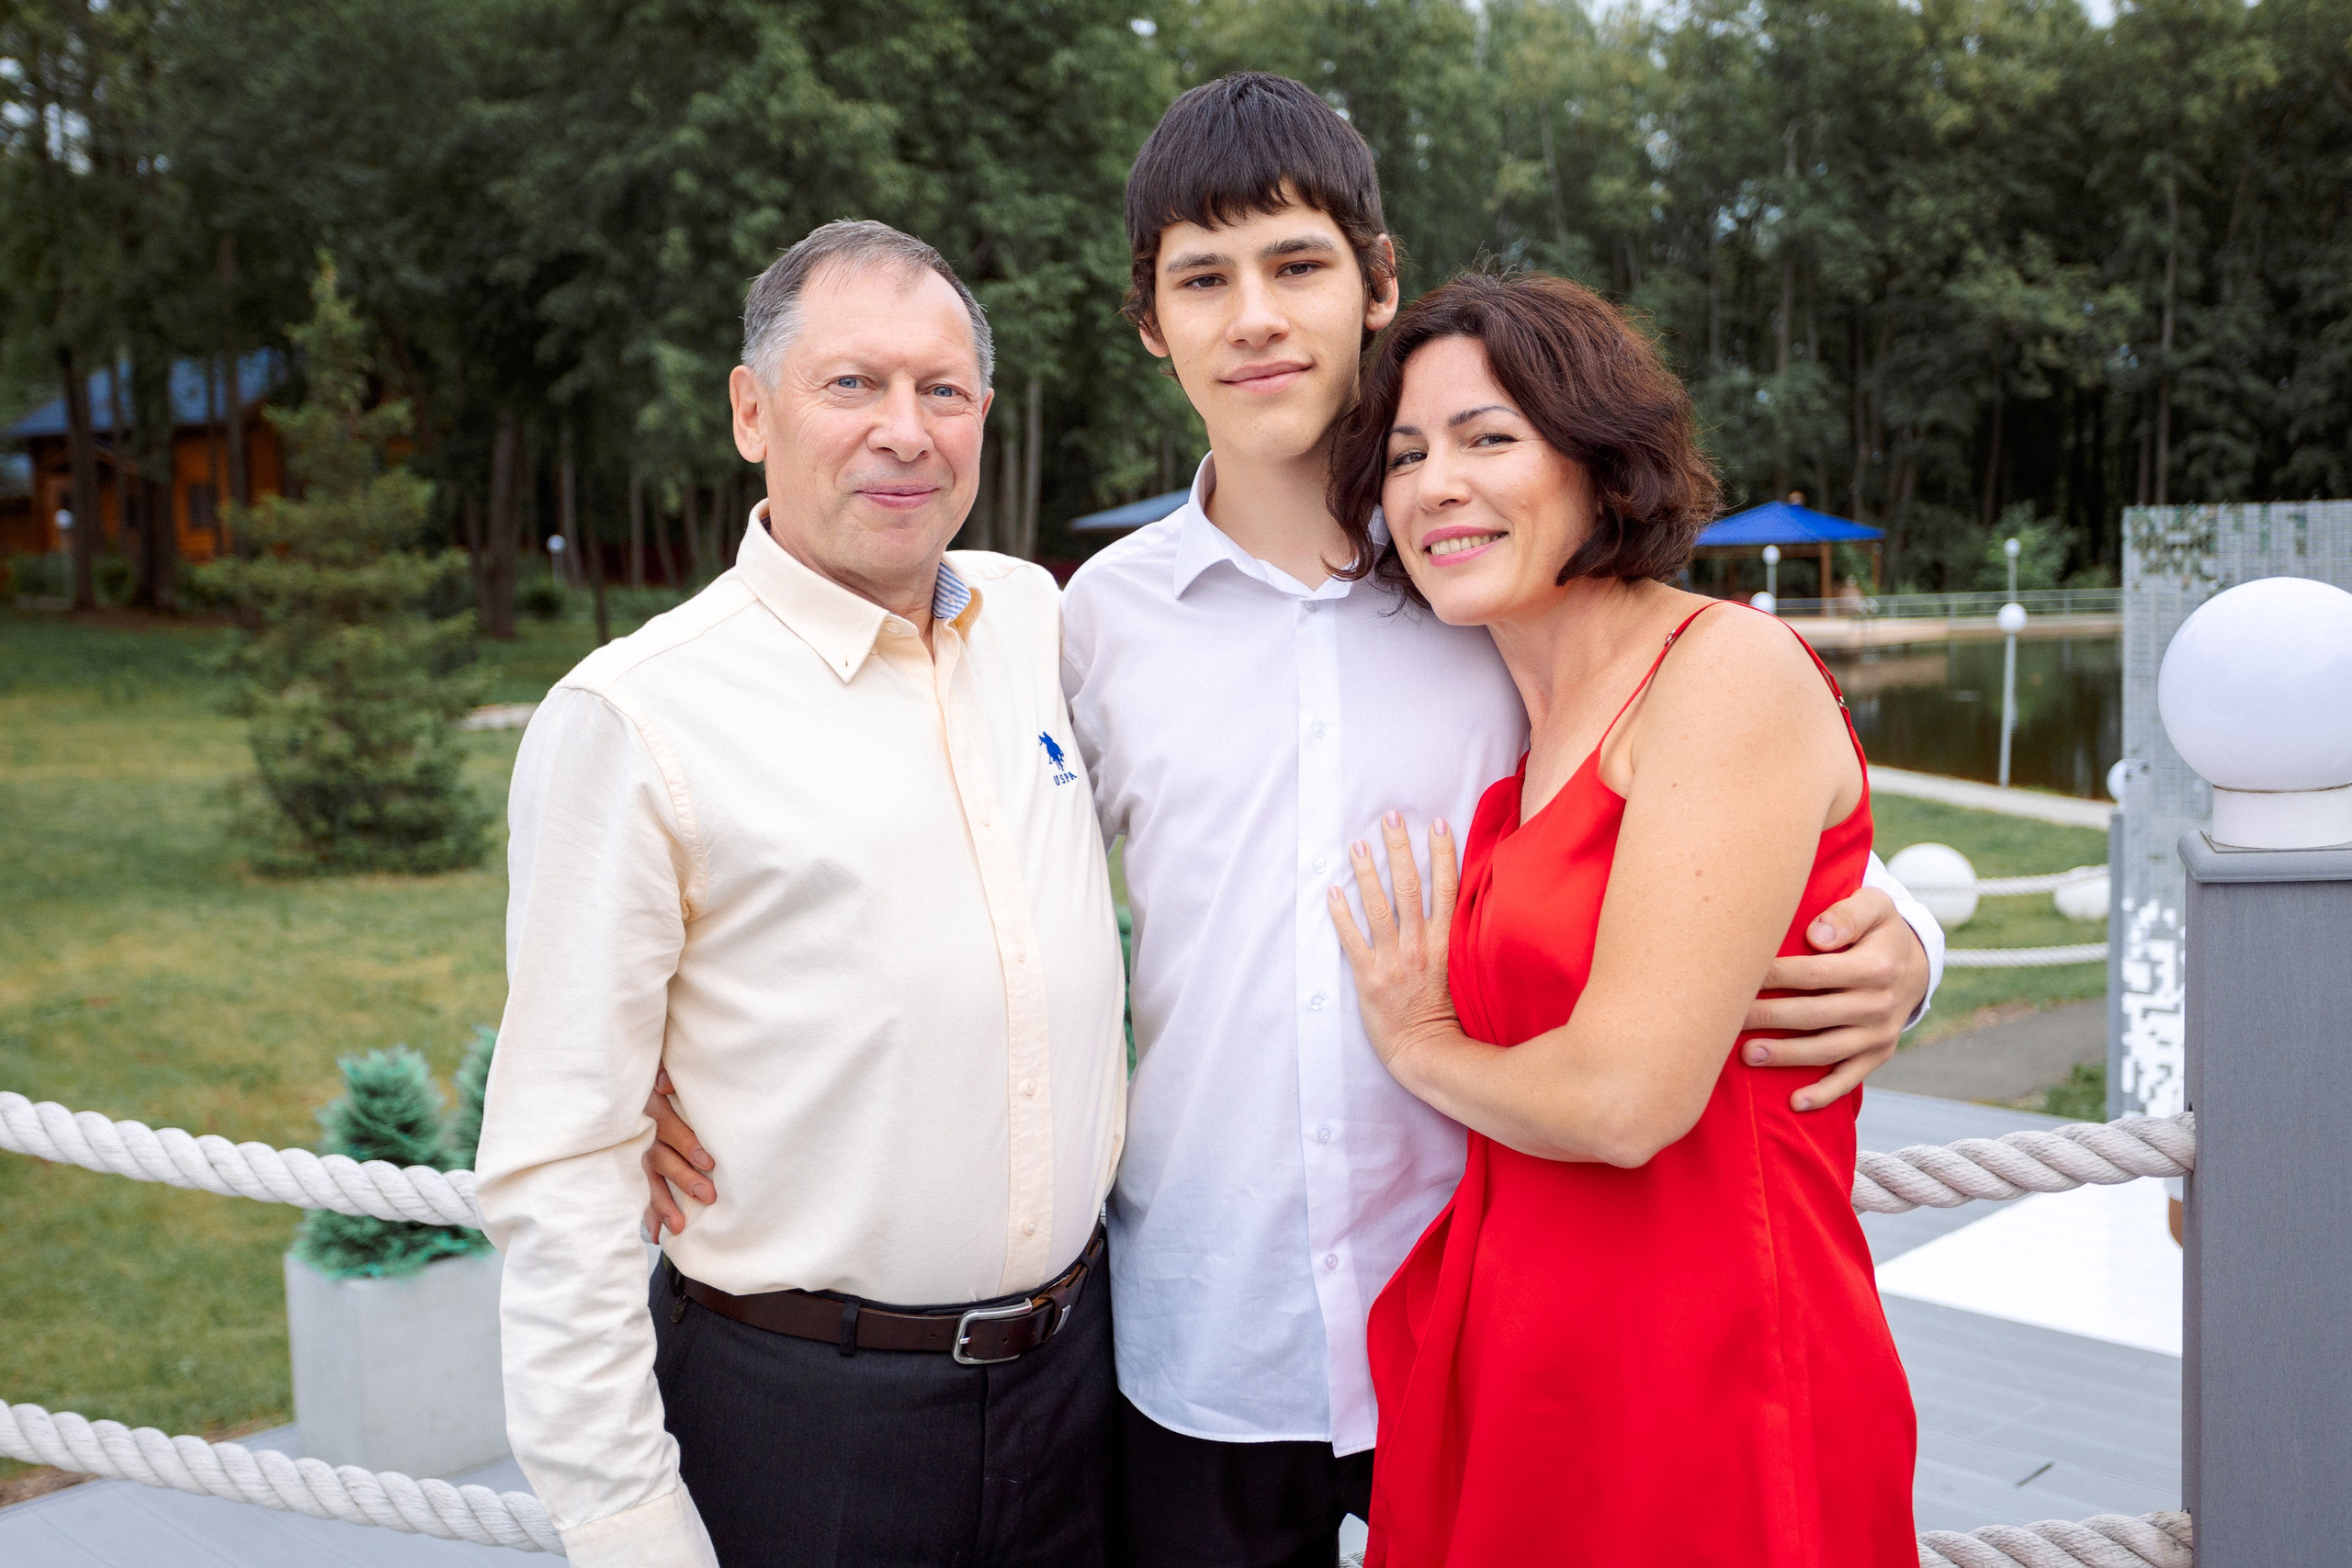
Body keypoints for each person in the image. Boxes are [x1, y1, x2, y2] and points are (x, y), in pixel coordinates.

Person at [645, 74, 1943, 1567]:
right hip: (1206, 1337)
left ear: (1378, 285)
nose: (1254, 316)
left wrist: (1903, 932)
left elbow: (1703, 766)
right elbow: (891, 844)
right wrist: (678, 1059)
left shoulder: (1494, 579)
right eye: (1204, 278)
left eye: (1298, 265)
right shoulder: (1082, 632)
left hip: (1490, 1319)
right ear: (1153, 324)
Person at [474, 220, 1129, 1568]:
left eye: (942, 390)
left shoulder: (1038, 624)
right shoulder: (638, 716)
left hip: (1080, 1392)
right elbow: (561, 1160)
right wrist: (630, 1525)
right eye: (852, 385)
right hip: (804, 1428)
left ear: (985, 417)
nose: (906, 430)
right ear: (750, 411)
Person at [1323, 271, 1917, 1565]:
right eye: (1407, 455)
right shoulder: (1511, 722)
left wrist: (1419, 1041)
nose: (1435, 487)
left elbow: (1626, 1100)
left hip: (1711, 1371)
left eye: (1490, 439)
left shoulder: (1723, 671)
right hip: (1527, 1373)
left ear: (1599, 460)